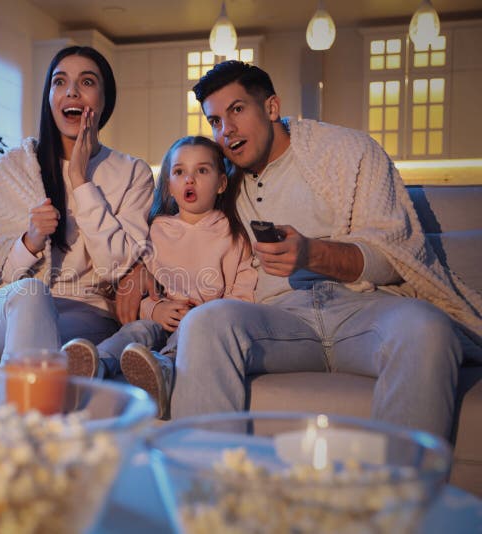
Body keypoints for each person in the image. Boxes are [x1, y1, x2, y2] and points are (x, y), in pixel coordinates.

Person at [116, 60, 482, 439]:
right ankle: (207, 488)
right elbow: (177, 227)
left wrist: (312, 253)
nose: (226, 131)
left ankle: (396, 493)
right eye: (215, 121)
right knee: (205, 322)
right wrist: (139, 268)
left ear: (272, 107)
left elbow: (393, 257)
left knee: (428, 327)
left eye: (237, 110)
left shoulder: (348, 153)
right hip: (279, 321)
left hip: (363, 310)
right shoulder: (222, 180)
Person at [0, 46, 154, 364]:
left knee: (65, 327)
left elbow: (116, 266)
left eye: (87, 82)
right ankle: (27, 406)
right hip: (5, 308)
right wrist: (29, 242)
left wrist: (79, 179)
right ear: (49, 98)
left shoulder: (133, 172)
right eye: (59, 82)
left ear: (105, 98)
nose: (71, 91)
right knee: (32, 294)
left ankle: (29, 403)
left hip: (84, 316)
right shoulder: (15, 167)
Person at [63, 136, 256, 418]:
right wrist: (154, 308)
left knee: (182, 338)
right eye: (179, 172)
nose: (190, 180)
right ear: (169, 186)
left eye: (202, 171)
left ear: (221, 183)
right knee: (135, 332)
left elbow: (243, 295)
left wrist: (205, 316)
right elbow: (136, 290)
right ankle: (96, 363)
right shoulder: (156, 231)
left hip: (200, 327)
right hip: (159, 316)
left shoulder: (232, 235)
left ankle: (162, 372)